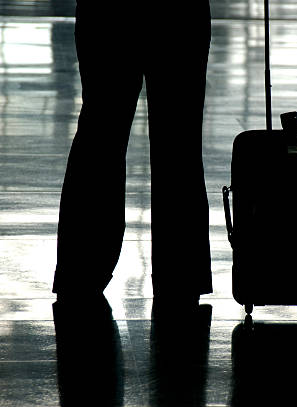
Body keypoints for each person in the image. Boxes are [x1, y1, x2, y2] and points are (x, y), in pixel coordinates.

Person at [53, 1, 213, 307]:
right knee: (178, 143)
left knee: (99, 137)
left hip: (108, 11)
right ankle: (181, 273)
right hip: (179, 14)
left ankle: (81, 269)